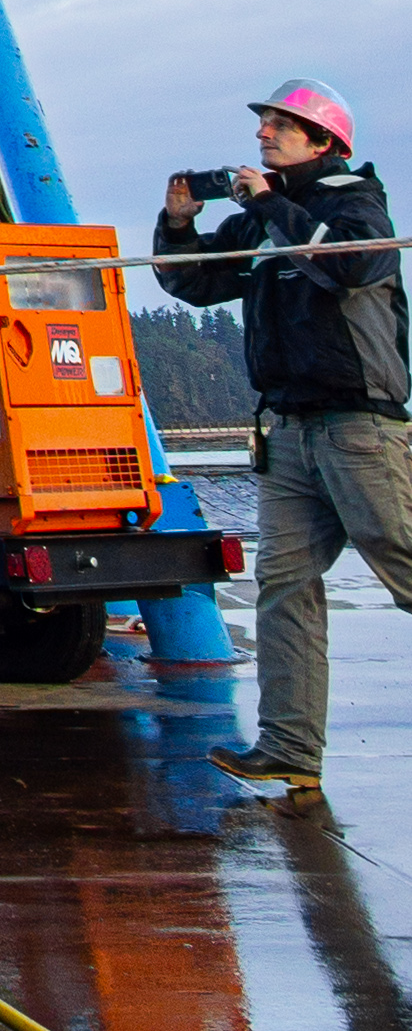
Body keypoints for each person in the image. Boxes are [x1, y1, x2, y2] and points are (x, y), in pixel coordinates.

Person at [155, 81, 408, 807]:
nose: (265, 134)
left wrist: (265, 203)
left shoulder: (353, 204)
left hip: (359, 426)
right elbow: (194, 285)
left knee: (403, 560)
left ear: (324, 143)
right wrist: (178, 224)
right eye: (265, 124)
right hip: (289, 429)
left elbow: (353, 267)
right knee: (285, 586)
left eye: (282, 126)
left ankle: (291, 749)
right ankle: (290, 751)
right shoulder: (265, 219)